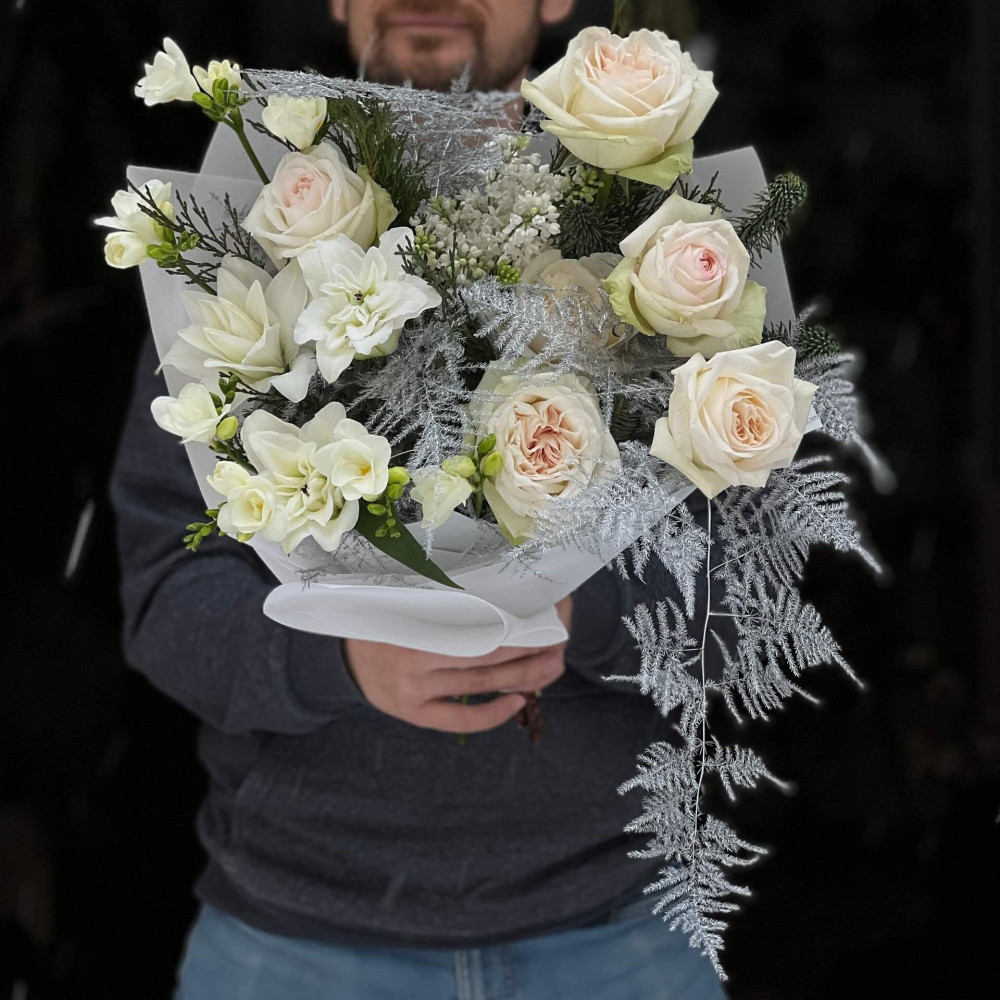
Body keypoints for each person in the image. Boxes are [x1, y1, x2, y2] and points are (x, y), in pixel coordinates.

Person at [110, 1, 731, 997]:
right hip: (292, 942)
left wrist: (578, 611)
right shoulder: (235, 244)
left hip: (618, 934)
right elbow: (166, 598)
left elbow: (746, 595)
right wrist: (337, 658)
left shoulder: (668, 248)